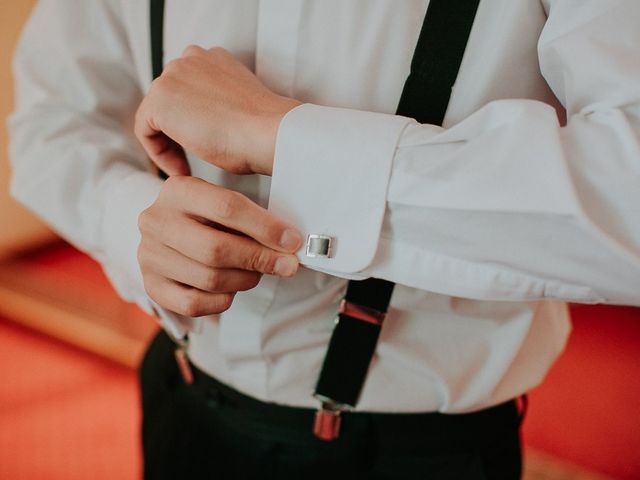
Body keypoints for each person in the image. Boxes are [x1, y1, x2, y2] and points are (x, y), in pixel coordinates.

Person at [9, 0, 640, 478]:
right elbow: (50, 118)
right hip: (178, 397)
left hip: (419, 453)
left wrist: (282, 136)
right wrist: (130, 220)